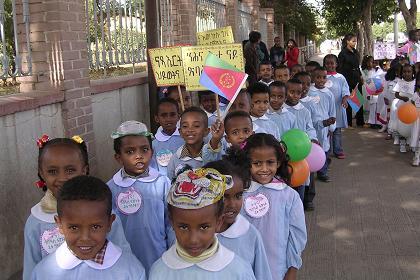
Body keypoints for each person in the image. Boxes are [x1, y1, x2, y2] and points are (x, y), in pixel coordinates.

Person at [23, 136, 130, 280]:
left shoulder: (102, 213)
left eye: (70, 170)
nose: (62, 178)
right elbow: (31, 268)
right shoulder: (36, 221)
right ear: (42, 173)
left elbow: (123, 256)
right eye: (53, 171)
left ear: (84, 170)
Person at [149, 168, 256, 280]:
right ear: (172, 223)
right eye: (183, 227)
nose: (193, 240)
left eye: (204, 227)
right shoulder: (160, 272)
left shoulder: (239, 271)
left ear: (219, 222)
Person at [31, 176, 146, 280]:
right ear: (59, 224)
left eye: (95, 227)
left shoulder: (131, 271)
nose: (85, 238)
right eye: (74, 227)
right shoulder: (43, 273)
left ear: (110, 223)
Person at [231, 133, 307, 280]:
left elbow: (297, 235)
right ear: (247, 163)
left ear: (278, 163)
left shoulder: (289, 196)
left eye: (270, 162)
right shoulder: (238, 194)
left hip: (276, 268)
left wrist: (292, 268)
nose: (264, 169)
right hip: (242, 266)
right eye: (257, 163)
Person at [107, 120, 173, 275]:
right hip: (124, 260)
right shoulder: (111, 189)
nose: (138, 156)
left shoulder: (162, 183)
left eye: (144, 150)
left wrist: (173, 251)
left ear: (152, 151)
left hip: (159, 254)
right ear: (118, 157)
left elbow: (171, 222)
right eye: (130, 152)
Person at [204, 160, 272, 280]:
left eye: (238, 196)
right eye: (224, 197)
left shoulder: (250, 235)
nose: (232, 204)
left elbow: (262, 274)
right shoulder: (191, 235)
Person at [308, 67, 336, 183]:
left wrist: (331, 127)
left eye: (324, 77)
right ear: (313, 78)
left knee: (324, 147)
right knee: (312, 147)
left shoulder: (329, 94)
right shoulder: (310, 92)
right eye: (318, 77)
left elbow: (332, 111)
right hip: (312, 125)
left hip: (325, 125)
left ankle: (322, 172)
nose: (321, 80)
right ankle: (310, 169)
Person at [167, 107, 209, 179]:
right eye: (185, 126)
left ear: (206, 131)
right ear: (180, 132)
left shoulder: (213, 156)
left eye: (196, 126)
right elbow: (171, 182)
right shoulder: (175, 159)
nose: (190, 130)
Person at [324, 54, 350, 159]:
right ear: (324, 64)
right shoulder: (323, 76)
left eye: (332, 63)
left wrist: (344, 99)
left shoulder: (340, 77)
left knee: (337, 130)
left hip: (337, 108)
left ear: (336, 64)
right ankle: (326, 150)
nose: (330, 65)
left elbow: (345, 89)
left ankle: (338, 150)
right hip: (325, 108)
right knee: (326, 131)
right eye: (327, 63)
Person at [152, 98, 185, 176]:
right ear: (157, 118)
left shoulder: (186, 138)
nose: (168, 119)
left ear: (178, 116)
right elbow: (153, 169)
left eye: (172, 114)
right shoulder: (153, 144)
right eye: (164, 115)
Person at [338, 33, 363, 127]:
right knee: (348, 99)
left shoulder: (355, 52)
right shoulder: (342, 54)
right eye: (353, 41)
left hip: (356, 77)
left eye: (355, 41)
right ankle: (348, 123)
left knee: (358, 99)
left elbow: (357, 66)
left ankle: (360, 122)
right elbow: (340, 68)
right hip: (347, 78)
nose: (354, 43)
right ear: (347, 41)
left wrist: (360, 76)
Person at [391, 64, 416, 153]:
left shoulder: (415, 82)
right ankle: (402, 143)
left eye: (409, 71)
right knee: (402, 125)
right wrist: (402, 98)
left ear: (413, 72)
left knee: (412, 125)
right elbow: (396, 94)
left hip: (412, 106)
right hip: (402, 106)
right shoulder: (400, 82)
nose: (407, 74)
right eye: (404, 72)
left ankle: (412, 143)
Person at [361, 55, 384, 128]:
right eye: (370, 62)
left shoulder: (376, 71)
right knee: (366, 105)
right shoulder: (364, 71)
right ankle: (366, 120)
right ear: (367, 63)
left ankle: (373, 121)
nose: (372, 64)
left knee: (373, 105)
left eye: (373, 62)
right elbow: (364, 80)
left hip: (374, 90)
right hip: (366, 90)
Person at [380, 65, 400, 139]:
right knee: (389, 116)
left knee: (396, 117)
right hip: (389, 102)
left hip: (397, 102)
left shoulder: (399, 80)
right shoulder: (388, 81)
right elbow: (385, 91)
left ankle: (397, 133)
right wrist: (385, 98)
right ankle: (389, 132)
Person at [410, 72, 420, 166]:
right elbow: (412, 104)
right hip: (417, 119)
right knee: (417, 136)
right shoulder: (416, 95)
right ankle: (417, 156)